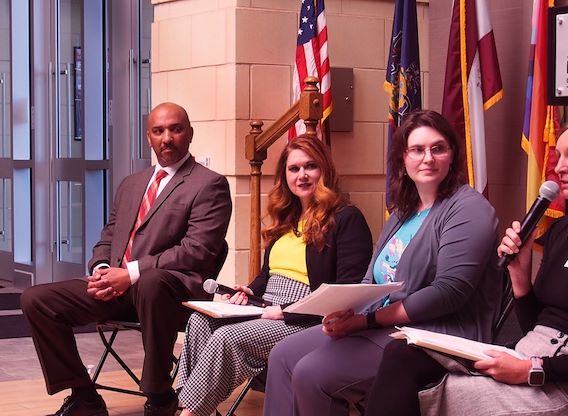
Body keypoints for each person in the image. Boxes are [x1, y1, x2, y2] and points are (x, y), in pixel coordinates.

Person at [363, 111, 568, 416]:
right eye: (558, 155)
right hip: (523, 353)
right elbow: (537, 324)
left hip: (564, 382)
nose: (559, 167)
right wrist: (520, 278)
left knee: (417, 393)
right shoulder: (563, 230)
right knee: (401, 354)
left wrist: (532, 370)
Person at [262, 109, 503, 416]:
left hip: (434, 333)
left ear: (452, 154)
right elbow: (371, 280)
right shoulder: (403, 211)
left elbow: (449, 292)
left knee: (313, 373)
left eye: (437, 148)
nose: (427, 158)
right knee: (283, 354)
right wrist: (346, 312)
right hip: (382, 324)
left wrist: (366, 321)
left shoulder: (469, 208)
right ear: (404, 159)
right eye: (417, 150)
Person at [20, 102, 232, 416]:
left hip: (172, 294)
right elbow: (108, 237)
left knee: (150, 282)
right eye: (158, 131)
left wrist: (130, 273)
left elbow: (197, 250)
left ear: (190, 134)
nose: (167, 138)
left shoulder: (209, 184)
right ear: (149, 137)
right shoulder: (132, 184)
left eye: (175, 129)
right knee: (36, 299)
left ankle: (160, 395)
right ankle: (84, 396)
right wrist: (103, 270)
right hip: (119, 289)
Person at [175, 135, 373, 416]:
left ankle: (190, 413)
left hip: (306, 317)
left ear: (325, 170)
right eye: (294, 169)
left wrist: (287, 312)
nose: (302, 175)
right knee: (199, 321)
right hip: (268, 307)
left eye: (310, 166)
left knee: (226, 338)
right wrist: (248, 291)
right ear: (285, 176)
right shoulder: (287, 218)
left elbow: (345, 292)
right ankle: (193, 407)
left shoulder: (346, 218)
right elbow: (268, 275)